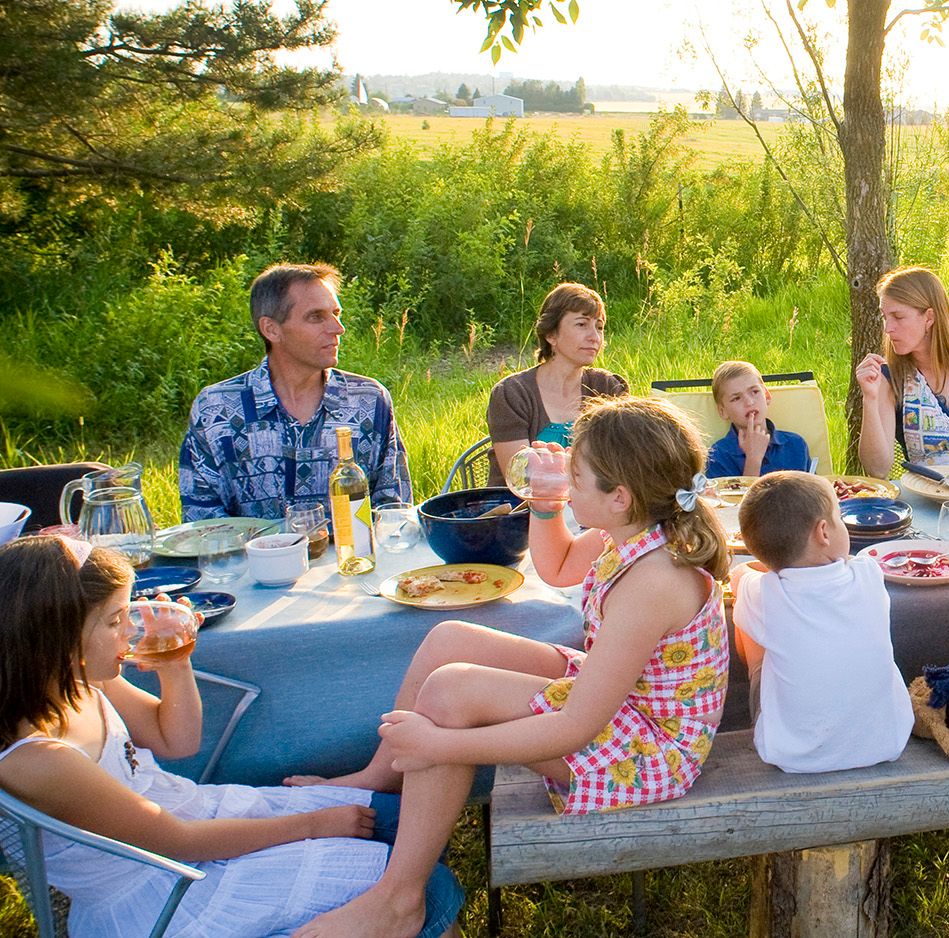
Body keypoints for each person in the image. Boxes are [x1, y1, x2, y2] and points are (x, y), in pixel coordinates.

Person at [289, 396, 730, 938]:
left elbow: (576, 726)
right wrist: (546, 504)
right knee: (449, 640)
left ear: (619, 496)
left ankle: (398, 900)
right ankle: (375, 785)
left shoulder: (654, 580)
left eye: (576, 472)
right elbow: (558, 564)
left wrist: (442, 745)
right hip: (619, 700)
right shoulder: (633, 529)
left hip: (651, 753)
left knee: (453, 695)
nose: (565, 475)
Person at [0, 535, 463, 938]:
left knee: (406, 822)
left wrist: (176, 664)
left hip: (188, 824)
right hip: (166, 892)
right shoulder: (38, 760)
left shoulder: (81, 680)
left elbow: (177, 743)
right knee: (424, 885)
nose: (130, 631)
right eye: (115, 620)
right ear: (57, 636)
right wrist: (312, 826)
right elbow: (175, 842)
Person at [179, 262, 412, 522]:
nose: (338, 328)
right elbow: (201, 522)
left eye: (336, 313)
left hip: (353, 561)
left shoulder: (368, 401)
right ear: (271, 329)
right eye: (316, 316)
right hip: (252, 562)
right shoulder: (215, 409)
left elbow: (395, 510)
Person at [731, 471, 909, 773]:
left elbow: (737, 576)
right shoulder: (869, 574)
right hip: (887, 741)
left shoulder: (767, 593)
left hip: (792, 756)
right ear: (824, 532)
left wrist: (773, 564)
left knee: (749, 623)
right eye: (840, 516)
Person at [853, 266, 949, 478]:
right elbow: (877, 470)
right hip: (927, 501)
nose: (888, 328)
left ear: (929, 317)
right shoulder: (891, 377)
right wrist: (869, 398)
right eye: (884, 316)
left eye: (898, 317)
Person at [485, 282, 630, 481]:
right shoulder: (512, 394)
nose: (594, 337)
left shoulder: (607, 387)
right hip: (523, 508)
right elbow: (520, 477)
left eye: (599, 327)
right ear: (551, 334)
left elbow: (627, 461)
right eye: (582, 324)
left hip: (594, 507)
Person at [705, 361, 814, 478]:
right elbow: (737, 497)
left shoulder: (796, 445)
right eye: (736, 398)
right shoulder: (717, 456)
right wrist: (753, 459)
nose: (749, 402)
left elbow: (815, 492)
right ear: (723, 411)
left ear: (766, 396)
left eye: (755, 392)